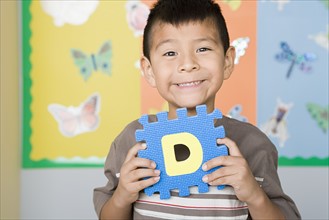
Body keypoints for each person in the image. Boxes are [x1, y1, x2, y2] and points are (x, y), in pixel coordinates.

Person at [93, 0, 301, 219]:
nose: (188, 63)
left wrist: (254, 195)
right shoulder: (130, 142)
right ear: (149, 70)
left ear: (227, 61)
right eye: (170, 53)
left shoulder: (254, 146)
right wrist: (123, 196)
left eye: (203, 49)